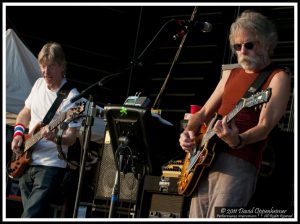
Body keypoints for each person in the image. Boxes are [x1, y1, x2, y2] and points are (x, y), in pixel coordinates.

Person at [179, 10, 291, 218]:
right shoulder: (231, 73)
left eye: (249, 45)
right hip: (204, 161)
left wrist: (237, 140)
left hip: (239, 163)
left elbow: (265, 126)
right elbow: (203, 113)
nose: (242, 51)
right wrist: (187, 133)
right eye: (237, 47)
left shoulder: (278, 77)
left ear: (266, 43)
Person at [10, 42, 82, 218]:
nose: (45, 72)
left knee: (29, 216)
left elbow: (71, 139)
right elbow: (25, 113)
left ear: (62, 66)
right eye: (43, 66)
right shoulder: (38, 84)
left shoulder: (73, 98)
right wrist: (18, 135)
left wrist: (54, 138)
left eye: (51, 67)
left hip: (50, 166)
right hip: (27, 162)